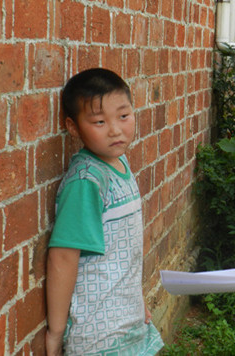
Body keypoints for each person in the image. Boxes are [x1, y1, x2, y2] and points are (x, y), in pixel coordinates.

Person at [46, 68, 164, 356]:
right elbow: (63, 257)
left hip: (129, 322)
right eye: (99, 121)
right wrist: (56, 332)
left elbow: (122, 253)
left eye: (124, 116)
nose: (115, 130)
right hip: (98, 337)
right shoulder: (86, 181)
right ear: (73, 128)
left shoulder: (119, 164)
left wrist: (138, 302)